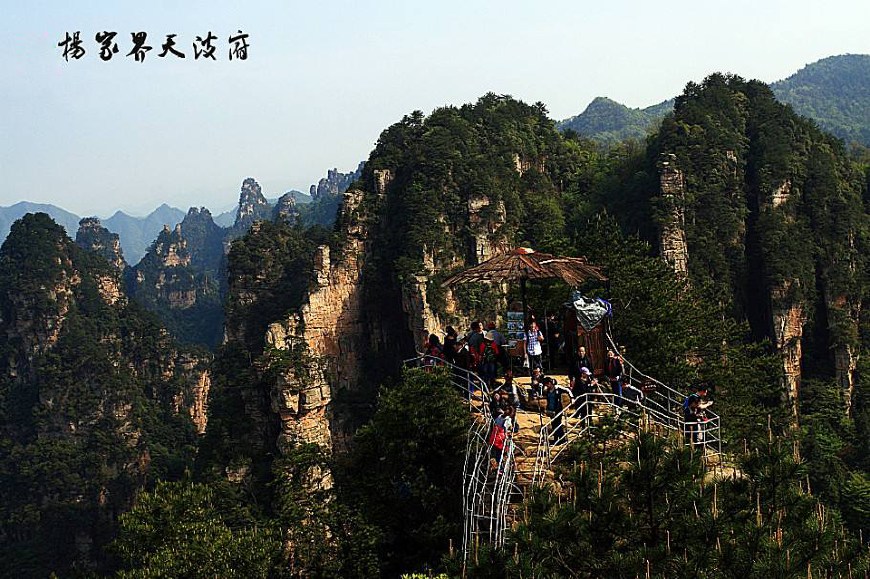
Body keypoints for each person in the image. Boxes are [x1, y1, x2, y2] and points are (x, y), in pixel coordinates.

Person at [545, 378, 566, 444]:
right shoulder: (548, 391)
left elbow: (567, 391)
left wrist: (572, 398)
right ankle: (556, 439)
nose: (547, 385)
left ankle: (562, 439)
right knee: (553, 425)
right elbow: (548, 400)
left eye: (549, 383)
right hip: (551, 409)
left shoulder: (557, 390)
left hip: (557, 410)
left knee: (558, 424)